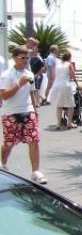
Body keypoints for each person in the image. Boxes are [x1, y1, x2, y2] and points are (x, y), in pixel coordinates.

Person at [0, 46, 47, 184]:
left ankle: (36, 172)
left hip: (28, 111)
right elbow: (4, 96)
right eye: (22, 58)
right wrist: (19, 84)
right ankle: (3, 164)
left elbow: (31, 92)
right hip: (10, 113)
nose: (25, 60)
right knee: (9, 143)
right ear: (14, 58)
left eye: (27, 58)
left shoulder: (29, 73)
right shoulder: (6, 75)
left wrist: (35, 110)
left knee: (34, 140)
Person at [49, 52, 77, 130]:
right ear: (69, 58)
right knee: (70, 105)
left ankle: (58, 124)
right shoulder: (69, 64)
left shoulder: (57, 65)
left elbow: (53, 76)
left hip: (56, 85)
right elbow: (73, 76)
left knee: (59, 105)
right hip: (65, 85)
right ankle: (69, 123)